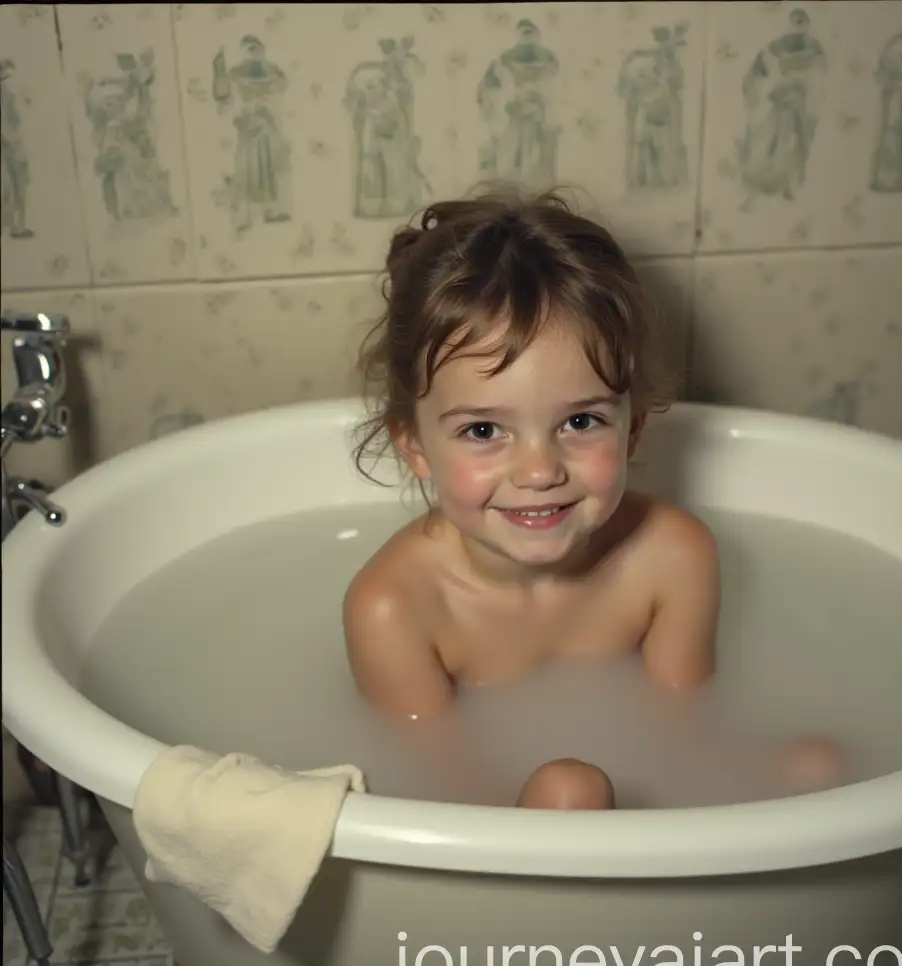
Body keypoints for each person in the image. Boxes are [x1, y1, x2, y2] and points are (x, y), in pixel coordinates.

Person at [343, 188, 842, 809]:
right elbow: (439, 781)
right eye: (483, 430)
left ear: (632, 428)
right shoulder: (395, 608)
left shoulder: (671, 558)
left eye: (580, 422)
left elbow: (683, 736)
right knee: (566, 792)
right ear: (415, 447)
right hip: (485, 826)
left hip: (643, 796)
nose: (539, 470)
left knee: (819, 766)